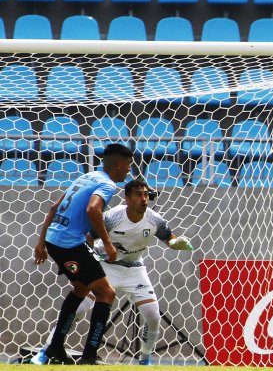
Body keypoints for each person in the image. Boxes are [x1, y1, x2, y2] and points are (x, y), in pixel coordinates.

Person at [32, 179, 194, 366]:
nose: (144, 199)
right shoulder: (112, 217)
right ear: (127, 198)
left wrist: (177, 243)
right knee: (79, 308)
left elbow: (169, 239)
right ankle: (45, 352)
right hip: (105, 267)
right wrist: (93, 257)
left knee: (153, 316)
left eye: (146, 195)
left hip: (135, 270)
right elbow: (88, 237)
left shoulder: (155, 219)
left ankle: (145, 359)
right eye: (139, 195)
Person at [32, 143, 134, 365]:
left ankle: (56, 347)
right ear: (118, 165)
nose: (128, 170)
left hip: (54, 240)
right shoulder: (106, 184)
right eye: (127, 165)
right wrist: (107, 244)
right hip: (70, 244)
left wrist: (41, 243)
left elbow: (53, 207)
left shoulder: (86, 177)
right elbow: (93, 209)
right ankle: (89, 356)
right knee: (106, 293)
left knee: (80, 288)